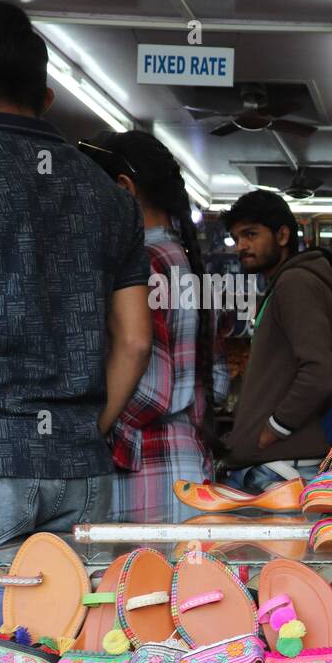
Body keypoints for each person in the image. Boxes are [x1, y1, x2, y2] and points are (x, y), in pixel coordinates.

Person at [0, 3, 152, 542]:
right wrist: (84, 432)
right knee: (72, 626)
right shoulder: (111, 197)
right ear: (46, 99)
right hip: (84, 469)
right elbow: (134, 343)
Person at [80, 131, 216, 522]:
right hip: (184, 459)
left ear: (124, 189)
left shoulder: (145, 261)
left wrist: (92, 432)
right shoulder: (183, 258)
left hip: (147, 469)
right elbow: (217, 378)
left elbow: (151, 386)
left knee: (138, 583)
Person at [221, 190, 332, 491]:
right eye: (236, 238)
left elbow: (319, 372)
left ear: (282, 235)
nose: (241, 247)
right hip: (273, 466)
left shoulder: (295, 283)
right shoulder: (284, 284)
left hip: (278, 471)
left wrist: (273, 430)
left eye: (250, 234)